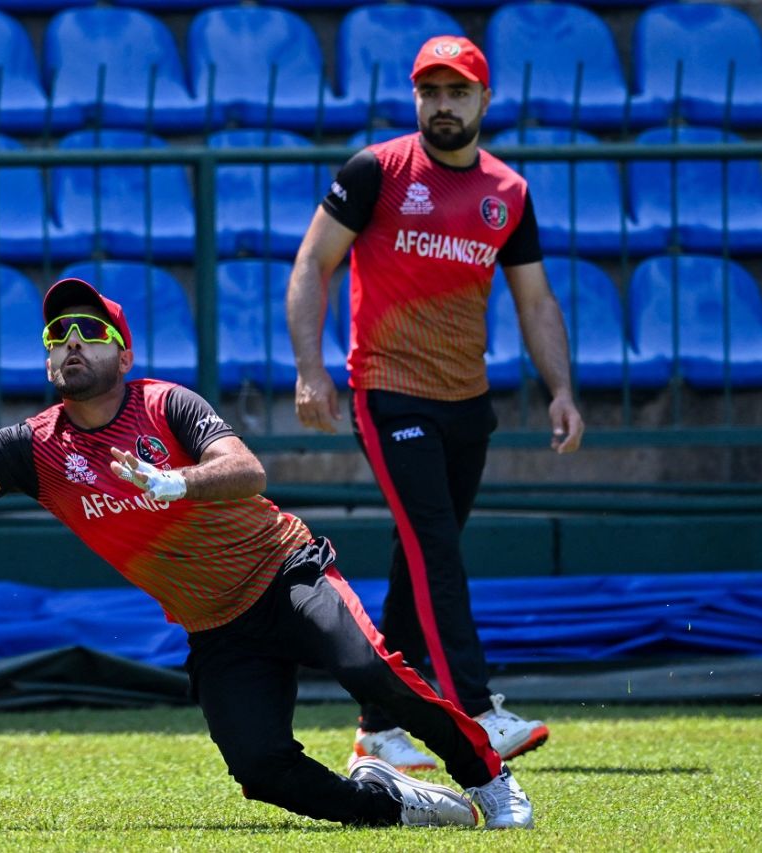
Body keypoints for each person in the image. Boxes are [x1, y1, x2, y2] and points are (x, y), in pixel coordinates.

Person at [0, 277, 534, 830]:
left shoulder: (166, 403)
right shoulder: (36, 447)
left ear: (123, 348)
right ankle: (390, 804)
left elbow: (247, 470)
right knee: (261, 769)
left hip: (283, 572)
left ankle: (489, 780)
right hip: (217, 625)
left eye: (89, 331)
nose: (70, 342)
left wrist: (177, 483)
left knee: (368, 667)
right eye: (58, 334)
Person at [287, 35, 586, 772]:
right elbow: (311, 263)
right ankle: (477, 713)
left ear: (486, 100)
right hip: (387, 390)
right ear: (415, 98)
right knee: (436, 548)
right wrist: (309, 370)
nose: (442, 105)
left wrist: (563, 390)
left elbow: (537, 300)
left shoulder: (508, 193)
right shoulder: (375, 171)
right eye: (430, 91)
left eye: (457, 91)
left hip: (467, 400)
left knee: (416, 553)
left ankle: (379, 727)